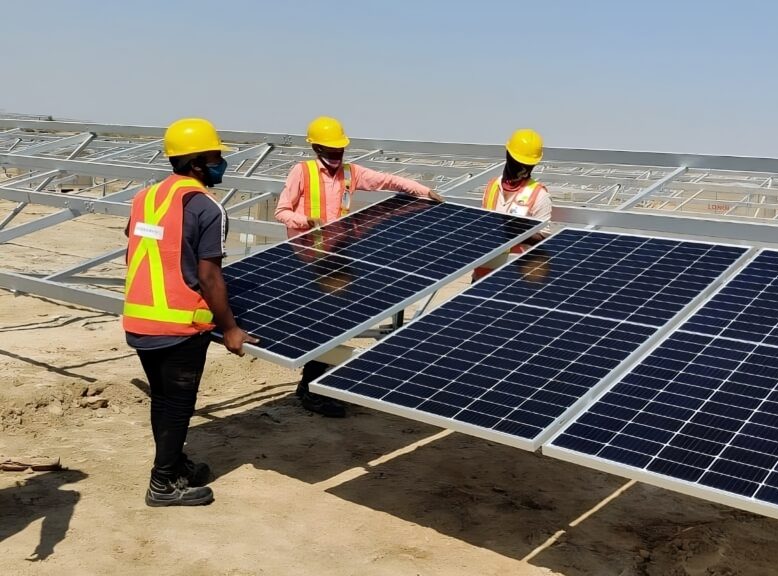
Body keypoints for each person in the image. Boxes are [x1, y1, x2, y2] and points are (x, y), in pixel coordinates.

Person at [123, 117, 257, 507]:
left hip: (139, 318)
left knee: (162, 400)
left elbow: (138, 246)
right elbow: (210, 277)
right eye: (216, 157)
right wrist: (231, 328)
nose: (221, 164)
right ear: (198, 163)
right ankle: (163, 484)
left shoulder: (144, 197)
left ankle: (175, 464)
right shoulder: (207, 207)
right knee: (178, 403)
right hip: (180, 324)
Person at [275, 116, 443, 417]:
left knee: (334, 323)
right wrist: (304, 223)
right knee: (322, 324)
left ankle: (312, 385)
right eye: (331, 148)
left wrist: (422, 191)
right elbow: (282, 211)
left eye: (340, 148)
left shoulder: (351, 173)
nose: (337, 154)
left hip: (339, 256)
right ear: (315, 147)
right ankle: (311, 389)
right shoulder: (302, 172)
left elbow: (387, 180)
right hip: (308, 258)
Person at [471, 128, 553, 282]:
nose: (524, 169)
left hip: (513, 280)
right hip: (481, 276)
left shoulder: (539, 194)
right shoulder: (492, 186)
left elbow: (544, 239)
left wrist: (520, 231)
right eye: (520, 163)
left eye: (529, 165)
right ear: (508, 155)